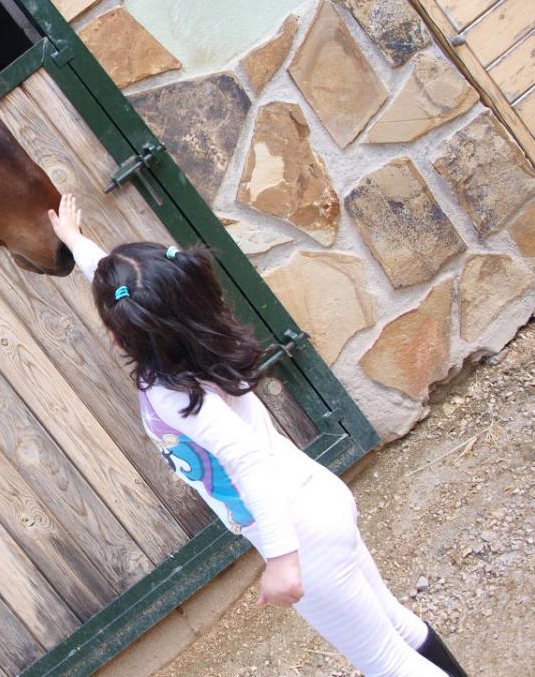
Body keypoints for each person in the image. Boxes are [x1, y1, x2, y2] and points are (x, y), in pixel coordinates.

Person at [47, 193, 468, 677]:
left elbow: (248, 462)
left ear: (125, 333)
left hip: (302, 537)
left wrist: (284, 560)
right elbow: (130, 287)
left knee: (385, 662)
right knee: (396, 625)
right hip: (320, 501)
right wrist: (77, 243)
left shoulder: (172, 393)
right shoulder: (197, 346)